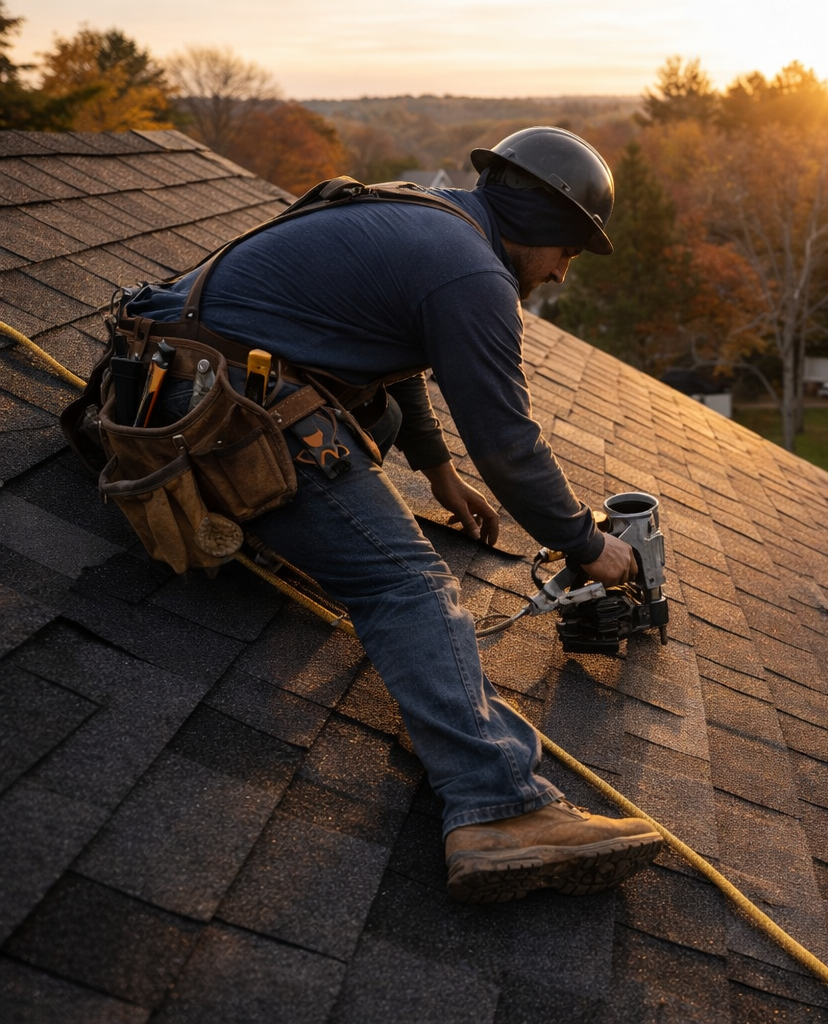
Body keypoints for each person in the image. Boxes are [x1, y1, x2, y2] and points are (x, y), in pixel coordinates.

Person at [125, 126, 664, 903]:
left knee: (371, 428)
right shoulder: (474, 274)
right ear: (544, 226)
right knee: (410, 583)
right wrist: (586, 544)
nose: (560, 272)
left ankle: (288, 533)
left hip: (167, 373)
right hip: (210, 407)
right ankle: (498, 808)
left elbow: (390, 349)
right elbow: (509, 444)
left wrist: (438, 472)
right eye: (568, 252)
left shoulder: (435, 216)